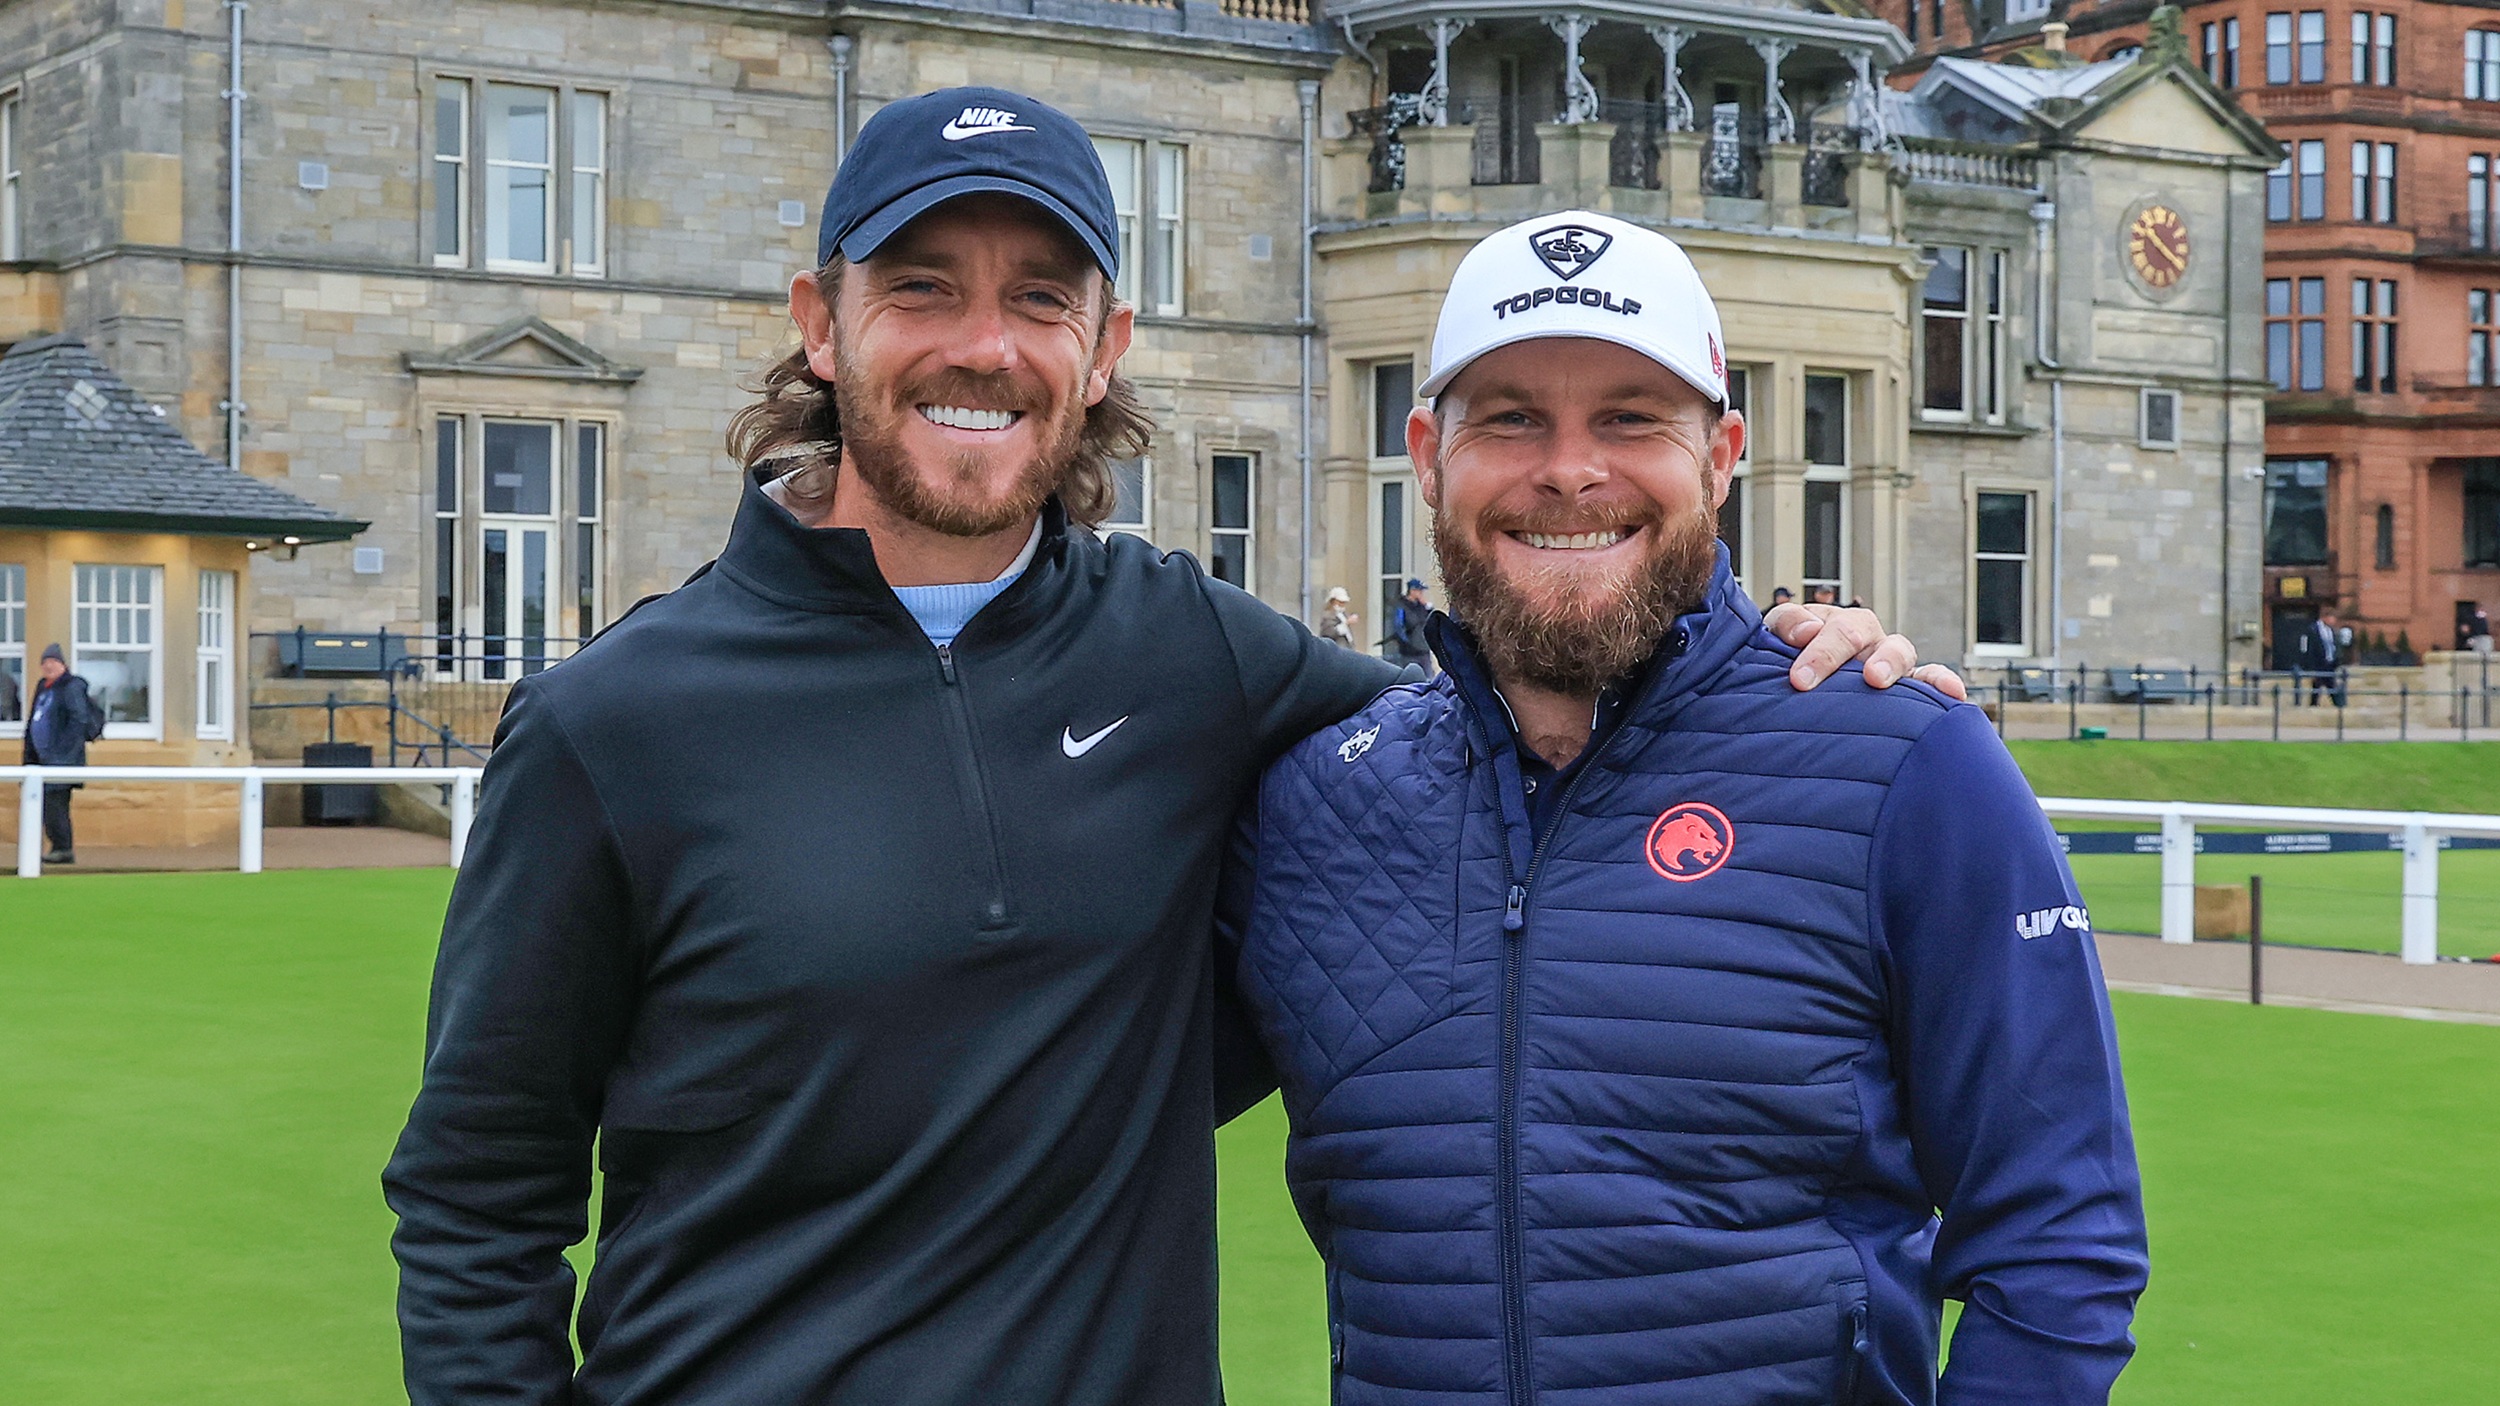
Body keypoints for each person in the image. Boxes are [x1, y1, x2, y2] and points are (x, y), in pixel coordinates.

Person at [382, 95, 1957, 1406]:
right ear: (820, 323)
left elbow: (1531, 699)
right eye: (921, 286)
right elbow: (475, 1197)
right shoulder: (613, 721)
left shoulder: (1196, 653)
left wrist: (1798, 655)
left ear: (1106, 343)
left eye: (1040, 297)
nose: (982, 344)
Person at [1221, 212, 2146, 1405]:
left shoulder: (1909, 762)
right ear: (1427, 454)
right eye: (1508, 417)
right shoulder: (1310, 801)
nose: (1568, 468)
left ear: (1720, 456)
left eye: (1629, 417)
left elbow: (2057, 1242)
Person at [22, 643, 103, 865]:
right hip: (40, 761)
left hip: (62, 760)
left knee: (55, 805)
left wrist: (61, 754)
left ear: (63, 665)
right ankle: (50, 848)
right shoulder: (44, 687)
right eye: (45, 662)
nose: (48, 666)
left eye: (53, 662)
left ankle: (63, 848)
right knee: (43, 805)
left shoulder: (71, 687)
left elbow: (79, 720)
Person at [2292, 607, 2344, 706]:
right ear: (2325, 618)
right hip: (2318, 664)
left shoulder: (2331, 631)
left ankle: (2336, 707)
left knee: (2329, 687)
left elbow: (2334, 646)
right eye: (2332, 618)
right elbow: (2308, 649)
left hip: (2330, 664)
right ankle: (2337, 707)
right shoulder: (2313, 629)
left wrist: (2337, 660)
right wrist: (2310, 667)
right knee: (2319, 687)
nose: (2334, 621)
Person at [1386, 578, 1434, 670]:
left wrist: (1428, 607)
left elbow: (1431, 619)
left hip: (1424, 650)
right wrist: (1407, 643)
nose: (1421, 593)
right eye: (1419, 591)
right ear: (1412, 591)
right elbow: (1398, 626)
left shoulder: (1422, 606)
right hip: (1409, 653)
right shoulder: (1401, 606)